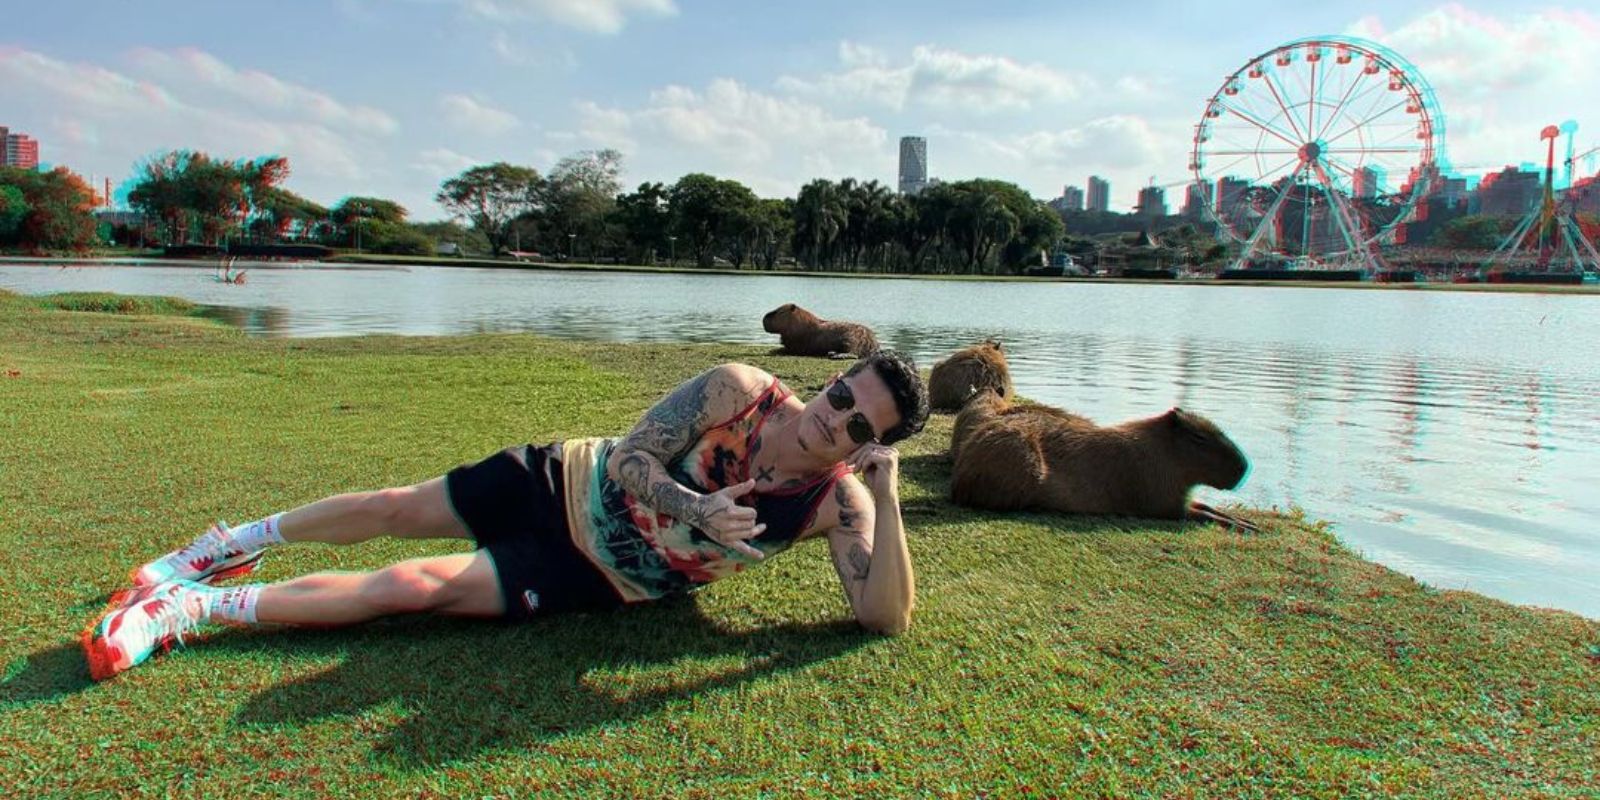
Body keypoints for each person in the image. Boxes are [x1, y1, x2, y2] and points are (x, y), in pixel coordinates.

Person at [83, 350, 930, 680]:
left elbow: (883, 618)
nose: (836, 418)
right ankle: (231, 546)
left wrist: (886, 498)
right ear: (833, 379)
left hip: (584, 573)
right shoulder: (740, 391)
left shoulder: (837, 504)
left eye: (860, 426)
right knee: (394, 508)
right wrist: (693, 506)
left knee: (410, 584)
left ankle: (188, 610)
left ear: (869, 445)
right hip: (559, 479)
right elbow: (636, 455)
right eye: (842, 395)